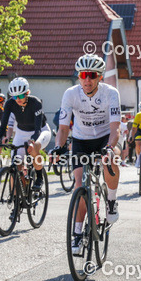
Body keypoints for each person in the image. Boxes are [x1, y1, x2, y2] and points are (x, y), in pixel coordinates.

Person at [56, 53, 122, 251]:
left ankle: (111, 201)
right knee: (79, 186)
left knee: (112, 159)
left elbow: (115, 128)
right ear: (78, 76)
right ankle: (77, 233)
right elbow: (63, 128)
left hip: (103, 137)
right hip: (81, 140)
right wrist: (59, 148)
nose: (87, 79)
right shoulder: (70, 94)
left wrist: (109, 147)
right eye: (83, 74)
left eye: (92, 75)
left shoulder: (111, 93)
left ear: (99, 76)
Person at [0, 77, 50, 192]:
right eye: (14, 97)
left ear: (27, 93)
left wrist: (32, 140)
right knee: (16, 163)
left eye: (20, 96)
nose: (17, 99)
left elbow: (38, 129)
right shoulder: (10, 103)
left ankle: (39, 177)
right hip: (21, 132)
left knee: (33, 149)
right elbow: (3, 125)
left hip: (40, 131)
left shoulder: (36, 103)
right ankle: (17, 198)